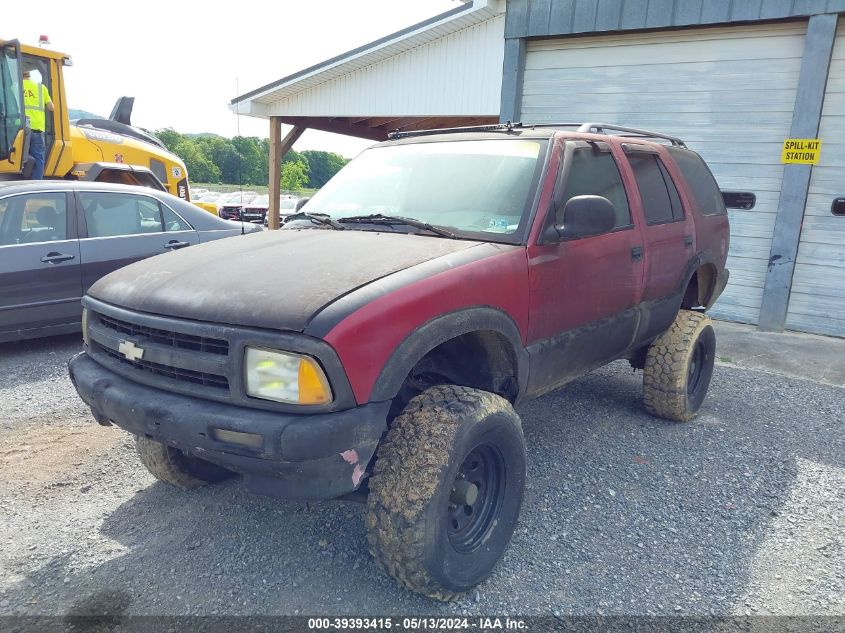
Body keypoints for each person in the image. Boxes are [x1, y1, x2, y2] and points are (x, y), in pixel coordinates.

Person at [22, 69, 54, 180]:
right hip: (37, 128)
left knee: (16, 156)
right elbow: (51, 107)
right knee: (38, 158)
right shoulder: (41, 88)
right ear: (29, 74)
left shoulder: (14, 86)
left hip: (20, 128)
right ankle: (36, 183)